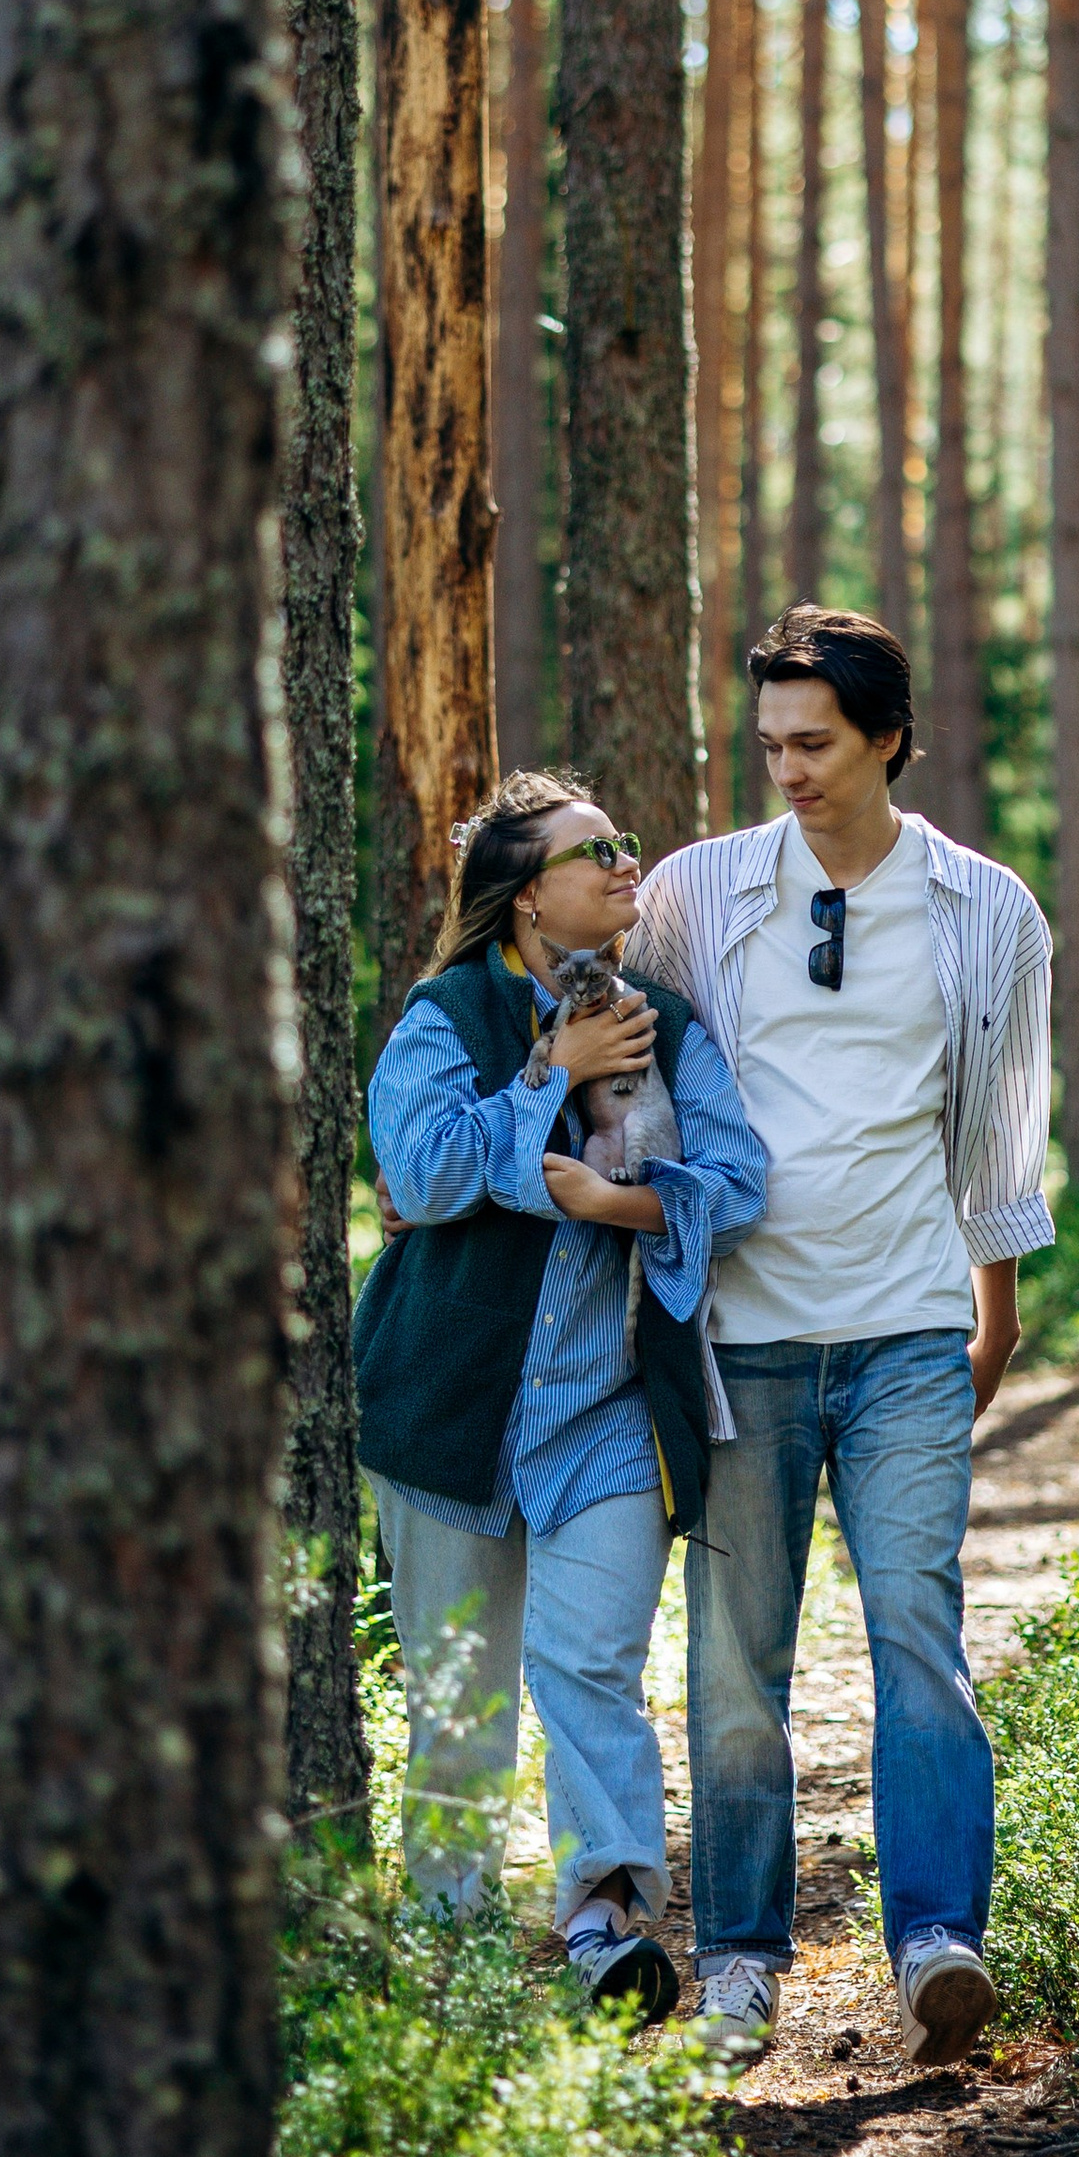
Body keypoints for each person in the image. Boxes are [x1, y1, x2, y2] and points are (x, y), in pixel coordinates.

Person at [628, 604, 1054, 2068]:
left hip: (909, 1338)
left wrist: (991, 1316)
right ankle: (739, 1960)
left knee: (917, 1641)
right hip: (739, 1342)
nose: (789, 771)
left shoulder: (986, 909)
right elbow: (629, 1064)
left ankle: (940, 1940)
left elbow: (1000, 1129)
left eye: (814, 743)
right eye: (770, 746)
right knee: (737, 1669)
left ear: (886, 737)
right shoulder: (697, 894)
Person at [353, 770, 766, 2015]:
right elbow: (419, 1176)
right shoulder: (444, 1013)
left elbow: (737, 1183)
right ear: (529, 896)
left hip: (608, 1415)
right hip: (445, 1414)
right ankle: (450, 1952)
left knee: (588, 1666)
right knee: (459, 1696)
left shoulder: (672, 1025)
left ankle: (605, 1922)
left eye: (627, 845)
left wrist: (615, 1201)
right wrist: (550, 1074)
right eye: (599, 851)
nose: (628, 863)